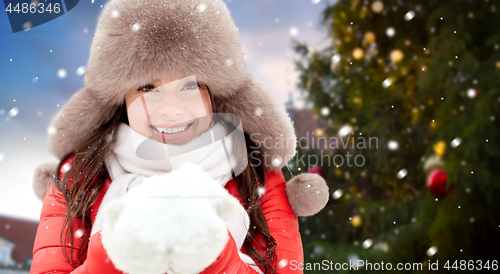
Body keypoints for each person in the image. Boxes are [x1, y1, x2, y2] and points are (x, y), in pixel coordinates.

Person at [30, 0, 329, 273]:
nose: (171, 110)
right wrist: (113, 255)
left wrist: (215, 255)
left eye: (190, 86)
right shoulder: (78, 177)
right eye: (147, 88)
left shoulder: (257, 178)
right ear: (121, 99)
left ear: (215, 96)